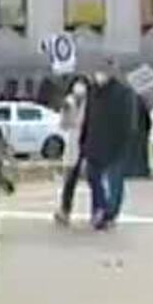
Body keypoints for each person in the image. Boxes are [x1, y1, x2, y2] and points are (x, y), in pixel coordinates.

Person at [82, 62, 138, 230]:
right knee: (93, 178)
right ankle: (99, 209)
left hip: (116, 143)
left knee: (115, 181)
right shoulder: (92, 92)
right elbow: (88, 116)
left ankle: (110, 213)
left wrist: (126, 140)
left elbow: (128, 122)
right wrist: (84, 140)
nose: (99, 76)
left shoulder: (123, 93)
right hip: (94, 142)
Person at [53, 77, 89, 226]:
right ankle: (64, 210)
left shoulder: (93, 101)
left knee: (96, 179)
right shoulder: (69, 102)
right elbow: (64, 125)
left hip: (90, 142)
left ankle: (100, 210)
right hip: (74, 143)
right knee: (70, 181)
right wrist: (66, 112)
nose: (79, 88)